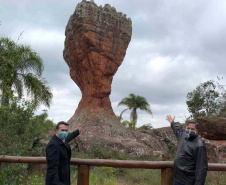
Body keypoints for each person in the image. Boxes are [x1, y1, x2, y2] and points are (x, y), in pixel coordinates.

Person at [166, 115, 208, 185]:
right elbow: (177, 130)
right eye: (188, 128)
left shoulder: (199, 145)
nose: (190, 130)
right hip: (177, 179)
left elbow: (201, 168)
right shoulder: (183, 136)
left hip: (188, 182)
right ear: (185, 128)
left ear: (197, 131)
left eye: (192, 129)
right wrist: (172, 122)